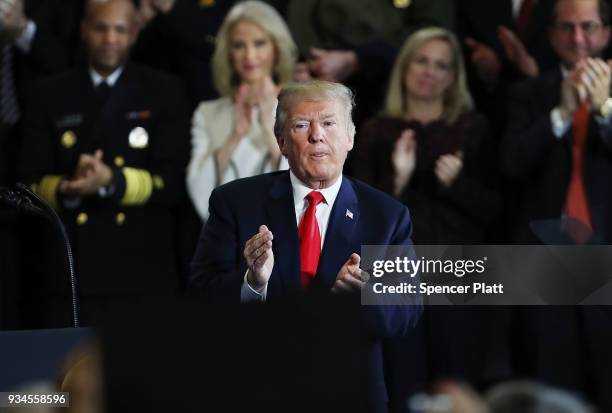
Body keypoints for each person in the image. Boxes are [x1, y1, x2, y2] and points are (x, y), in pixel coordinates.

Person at [190, 80, 421, 412]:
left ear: (350, 138)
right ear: (282, 141)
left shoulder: (386, 217)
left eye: (329, 123)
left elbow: (407, 313)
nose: (317, 135)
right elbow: (199, 297)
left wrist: (363, 296)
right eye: (301, 125)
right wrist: (252, 284)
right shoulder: (236, 203)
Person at [19, 0, 190, 327]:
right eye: (100, 28)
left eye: (120, 29)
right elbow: (29, 180)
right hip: (70, 273)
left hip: (139, 269)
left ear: (134, 33)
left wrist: (112, 180)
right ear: (84, 30)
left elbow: (172, 183)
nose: (110, 38)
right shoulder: (49, 93)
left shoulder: (164, 91)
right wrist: (68, 188)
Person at [352, 27, 502, 401]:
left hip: (460, 274)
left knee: (459, 386)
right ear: (404, 67)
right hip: (398, 276)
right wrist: (396, 182)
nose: (429, 72)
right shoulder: (374, 131)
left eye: (440, 65)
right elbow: (359, 224)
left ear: (453, 77)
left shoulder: (473, 127)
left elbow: (496, 212)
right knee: (403, 385)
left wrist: (456, 185)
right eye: (421, 61)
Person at [502, 0, 612, 409]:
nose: (578, 39)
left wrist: (604, 108)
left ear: (605, 33)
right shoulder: (528, 93)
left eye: (588, 27)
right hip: (544, 265)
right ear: (551, 36)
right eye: (566, 28)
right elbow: (511, 163)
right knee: (548, 388)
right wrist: (561, 113)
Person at [186, 1, 295, 222]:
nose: (249, 55)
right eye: (239, 45)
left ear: (276, 48)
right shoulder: (207, 113)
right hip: (226, 242)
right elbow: (199, 194)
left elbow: (311, 187)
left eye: (259, 43)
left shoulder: (299, 107)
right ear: (228, 53)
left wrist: (269, 131)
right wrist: (233, 138)